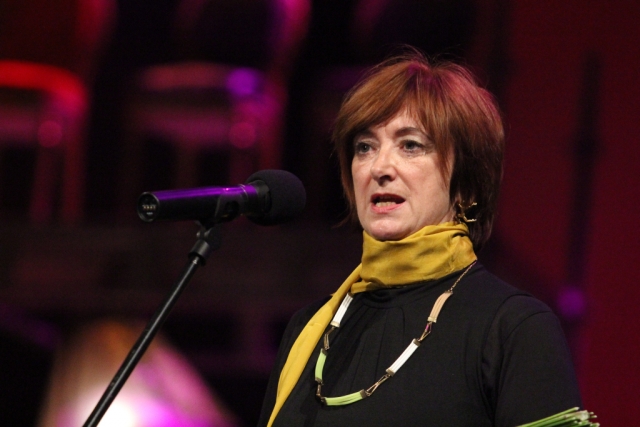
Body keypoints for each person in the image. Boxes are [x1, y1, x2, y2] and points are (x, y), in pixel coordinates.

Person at [257, 51, 582, 427]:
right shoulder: (308, 328)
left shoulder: (514, 328)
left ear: (466, 183)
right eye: (365, 146)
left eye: (410, 145)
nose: (379, 167)